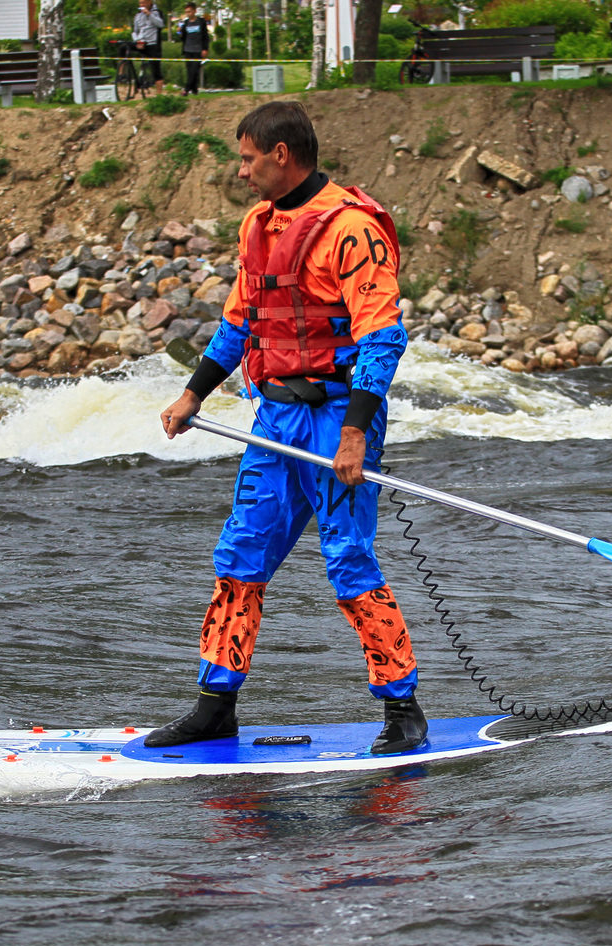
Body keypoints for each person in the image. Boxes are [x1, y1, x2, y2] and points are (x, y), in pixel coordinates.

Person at [153, 101, 426, 756]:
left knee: (348, 556)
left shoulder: (353, 230)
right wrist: (194, 393)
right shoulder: (257, 227)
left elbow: (382, 340)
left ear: (282, 154)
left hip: (339, 413)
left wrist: (357, 431)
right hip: (275, 415)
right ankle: (215, 705)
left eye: (248, 158)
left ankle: (402, 708)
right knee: (240, 554)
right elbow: (238, 323)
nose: (240, 171)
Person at [176, 3, 210, 96]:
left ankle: (186, 90)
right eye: (186, 12)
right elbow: (183, 37)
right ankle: (195, 90)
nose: (188, 14)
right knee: (190, 71)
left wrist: (205, 49)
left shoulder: (201, 22)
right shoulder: (186, 23)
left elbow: (205, 36)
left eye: (190, 11)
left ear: (194, 11)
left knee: (194, 70)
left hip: (198, 50)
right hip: (188, 49)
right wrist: (179, 31)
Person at [132, 0, 165, 92]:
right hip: (141, 42)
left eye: (144, 3)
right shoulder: (138, 15)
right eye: (140, 3)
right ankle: (122, 72)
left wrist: (149, 14)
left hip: (152, 43)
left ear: (150, 2)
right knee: (123, 47)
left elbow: (161, 24)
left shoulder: (157, 13)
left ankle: (159, 94)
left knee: (155, 68)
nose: (142, 5)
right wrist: (137, 40)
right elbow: (134, 31)